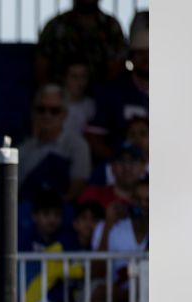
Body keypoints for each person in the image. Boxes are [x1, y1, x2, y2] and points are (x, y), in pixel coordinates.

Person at [84, 10, 148, 164]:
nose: (147, 59)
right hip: (119, 177)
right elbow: (94, 138)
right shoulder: (111, 91)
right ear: (131, 56)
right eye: (141, 53)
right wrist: (120, 164)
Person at [17, 85, 92, 202]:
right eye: (41, 109)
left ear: (64, 114)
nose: (47, 115)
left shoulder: (77, 145)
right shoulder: (23, 149)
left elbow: (78, 185)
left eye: (54, 111)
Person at [34, 0, 127, 89]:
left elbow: (118, 67)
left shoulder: (110, 26)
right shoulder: (55, 26)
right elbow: (42, 67)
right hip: (61, 98)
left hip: (101, 98)